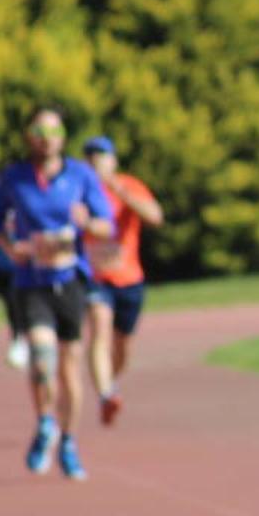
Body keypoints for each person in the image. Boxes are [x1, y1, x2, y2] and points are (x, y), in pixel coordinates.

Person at [0, 108, 114, 480]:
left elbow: (106, 225)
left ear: (63, 135)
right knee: (43, 359)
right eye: (39, 130)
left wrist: (86, 223)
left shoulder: (80, 175)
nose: (47, 137)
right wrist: (12, 247)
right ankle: (45, 423)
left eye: (54, 129)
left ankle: (69, 441)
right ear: (29, 136)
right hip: (31, 280)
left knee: (71, 365)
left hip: (70, 278)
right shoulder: (15, 178)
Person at [81, 135, 163, 426]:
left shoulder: (129, 185)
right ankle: (105, 394)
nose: (96, 162)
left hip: (129, 278)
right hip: (95, 278)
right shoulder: (80, 191)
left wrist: (120, 191)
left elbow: (155, 216)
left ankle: (109, 382)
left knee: (122, 346)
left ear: (113, 160)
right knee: (99, 331)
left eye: (102, 156)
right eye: (90, 157)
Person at [0, 193, 29, 370]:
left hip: (30, 264)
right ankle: (18, 340)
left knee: (30, 303)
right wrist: (7, 243)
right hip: (4, 265)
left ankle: (29, 340)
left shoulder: (30, 197)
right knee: (12, 304)